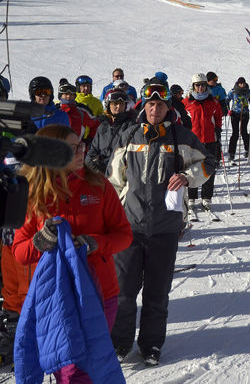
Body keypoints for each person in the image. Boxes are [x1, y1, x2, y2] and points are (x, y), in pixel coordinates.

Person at [14, 124, 133, 382]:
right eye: (72, 148)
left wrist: (95, 243)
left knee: (83, 370)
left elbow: (124, 235)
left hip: (100, 295)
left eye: (80, 145)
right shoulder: (33, 194)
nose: (82, 152)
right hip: (53, 300)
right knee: (64, 369)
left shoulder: (99, 185)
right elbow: (20, 253)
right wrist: (40, 241)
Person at [108, 78, 215, 366]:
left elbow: (208, 163)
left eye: (161, 104)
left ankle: (152, 345)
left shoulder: (182, 136)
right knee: (123, 291)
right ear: (144, 105)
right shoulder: (129, 136)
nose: (156, 109)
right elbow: (114, 181)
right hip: (129, 227)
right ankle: (119, 342)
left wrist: (187, 177)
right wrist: (112, 216)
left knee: (157, 293)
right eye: (151, 104)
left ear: (168, 107)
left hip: (165, 227)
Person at [184, 73, 224, 212]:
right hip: (192, 141)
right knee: (191, 169)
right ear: (193, 86)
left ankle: (206, 198)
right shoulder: (187, 102)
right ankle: (191, 197)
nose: (200, 87)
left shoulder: (213, 101)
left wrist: (218, 128)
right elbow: (182, 119)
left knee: (209, 169)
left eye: (203, 85)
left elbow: (218, 116)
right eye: (198, 85)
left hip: (210, 140)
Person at [86, 90, 137, 174]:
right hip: (97, 173)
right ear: (108, 105)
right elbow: (92, 152)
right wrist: (95, 170)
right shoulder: (103, 126)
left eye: (122, 104)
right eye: (115, 103)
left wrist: (108, 171)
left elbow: (129, 156)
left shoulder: (130, 126)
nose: (118, 106)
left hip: (118, 175)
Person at [227, 77, 250, 163]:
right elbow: (226, 100)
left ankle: (247, 150)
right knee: (235, 133)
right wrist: (228, 109)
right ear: (238, 83)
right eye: (240, 83)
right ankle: (231, 153)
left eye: (243, 83)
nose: (242, 85)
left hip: (244, 113)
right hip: (235, 114)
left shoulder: (248, 91)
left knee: (244, 132)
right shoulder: (233, 91)